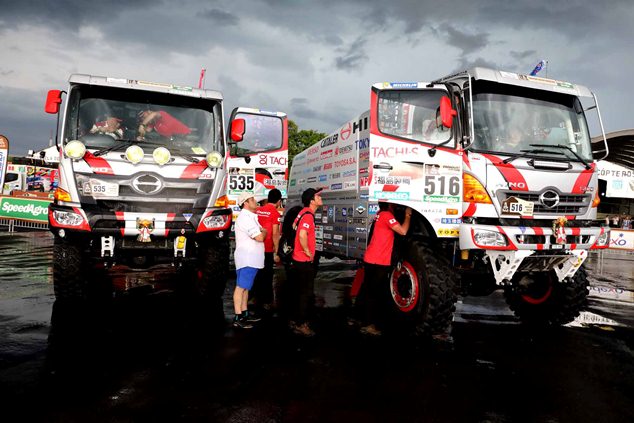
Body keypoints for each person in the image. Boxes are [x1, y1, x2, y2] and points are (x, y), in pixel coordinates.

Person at [358, 202, 412, 336]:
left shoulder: (379, 214)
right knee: (374, 293)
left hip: (371, 258)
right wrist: (408, 215)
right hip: (378, 260)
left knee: (366, 289)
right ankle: (368, 324)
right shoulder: (387, 215)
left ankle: (358, 318)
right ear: (389, 205)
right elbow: (403, 231)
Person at [289, 187, 323, 336]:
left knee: (299, 292)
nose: (320, 197)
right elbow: (302, 234)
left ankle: (297, 319)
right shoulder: (308, 215)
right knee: (306, 294)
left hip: (297, 260)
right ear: (311, 201)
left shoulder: (302, 212)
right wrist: (308, 251)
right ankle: (301, 324)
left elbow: (293, 226)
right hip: (303, 261)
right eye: (317, 196)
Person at [232, 192, 267, 329]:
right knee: (241, 287)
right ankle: (238, 316)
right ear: (245, 202)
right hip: (247, 257)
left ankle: (244, 313)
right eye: (252, 199)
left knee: (245, 288)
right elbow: (259, 237)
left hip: (250, 258)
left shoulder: (249, 217)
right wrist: (264, 232)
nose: (255, 201)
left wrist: (262, 231)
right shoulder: (245, 218)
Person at [253, 188, 283, 314]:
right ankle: (266, 302)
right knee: (267, 275)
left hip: (255, 246)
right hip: (267, 248)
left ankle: (254, 298)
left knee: (256, 274)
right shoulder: (275, 213)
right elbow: (275, 233)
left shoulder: (258, 210)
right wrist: (277, 251)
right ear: (279, 201)